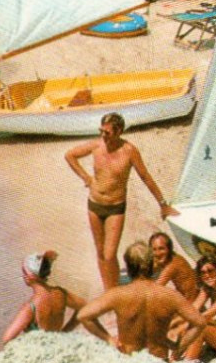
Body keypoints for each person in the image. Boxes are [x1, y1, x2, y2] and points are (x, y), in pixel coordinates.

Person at [66, 113, 179, 292]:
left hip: (115, 207)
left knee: (109, 254)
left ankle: (115, 290)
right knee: (100, 252)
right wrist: (85, 177)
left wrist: (163, 203)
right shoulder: (96, 145)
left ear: (119, 131)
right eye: (101, 131)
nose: (104, 135)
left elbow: (145, 177)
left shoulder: (129, 151)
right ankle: (109, 291)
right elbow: (70, 155)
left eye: (108, 132)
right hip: (94, 204)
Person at [76, 242, 211, 361]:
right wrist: (178, 348)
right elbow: (199, 323)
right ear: (152, 265)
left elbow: (84, 316)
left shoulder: (118, 294)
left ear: (128, 268)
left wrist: (109, 339)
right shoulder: (169, 295)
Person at [0, 250, 85, 345]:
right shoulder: (61, 293)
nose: (23, 276)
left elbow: (6, 339)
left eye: (24, 271)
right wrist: (65, 332)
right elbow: (84, 307)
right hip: (58, 345)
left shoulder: (30, 307)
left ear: (30, 276)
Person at [148, 230, 198, 302]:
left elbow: (155, 290)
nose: (157, 253)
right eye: (154, 250)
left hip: (191, 304)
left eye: (161, 248)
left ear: (169, 248)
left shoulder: (173, 264)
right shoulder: (169, 258)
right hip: (186, 299)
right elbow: (148, 271)